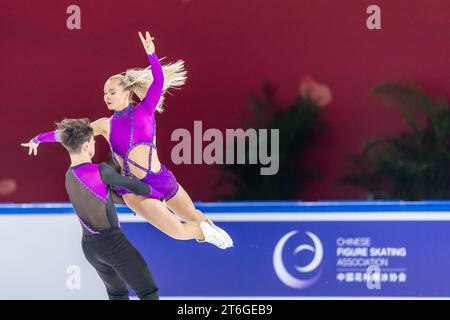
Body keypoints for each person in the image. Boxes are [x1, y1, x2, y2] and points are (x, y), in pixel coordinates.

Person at [21, 31, 233, 249]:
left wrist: (152, 54)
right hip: (134, 188)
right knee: (178, 232)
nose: (106, 96)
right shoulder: (105, 124)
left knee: (194, 216)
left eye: (111, 92)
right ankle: (204, 233)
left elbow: (158, 81)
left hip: (161, 177)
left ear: (126, 93)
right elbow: (72, 134)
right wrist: (39, 139)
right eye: (104, 93)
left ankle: (209, 232)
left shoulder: (145, 111)